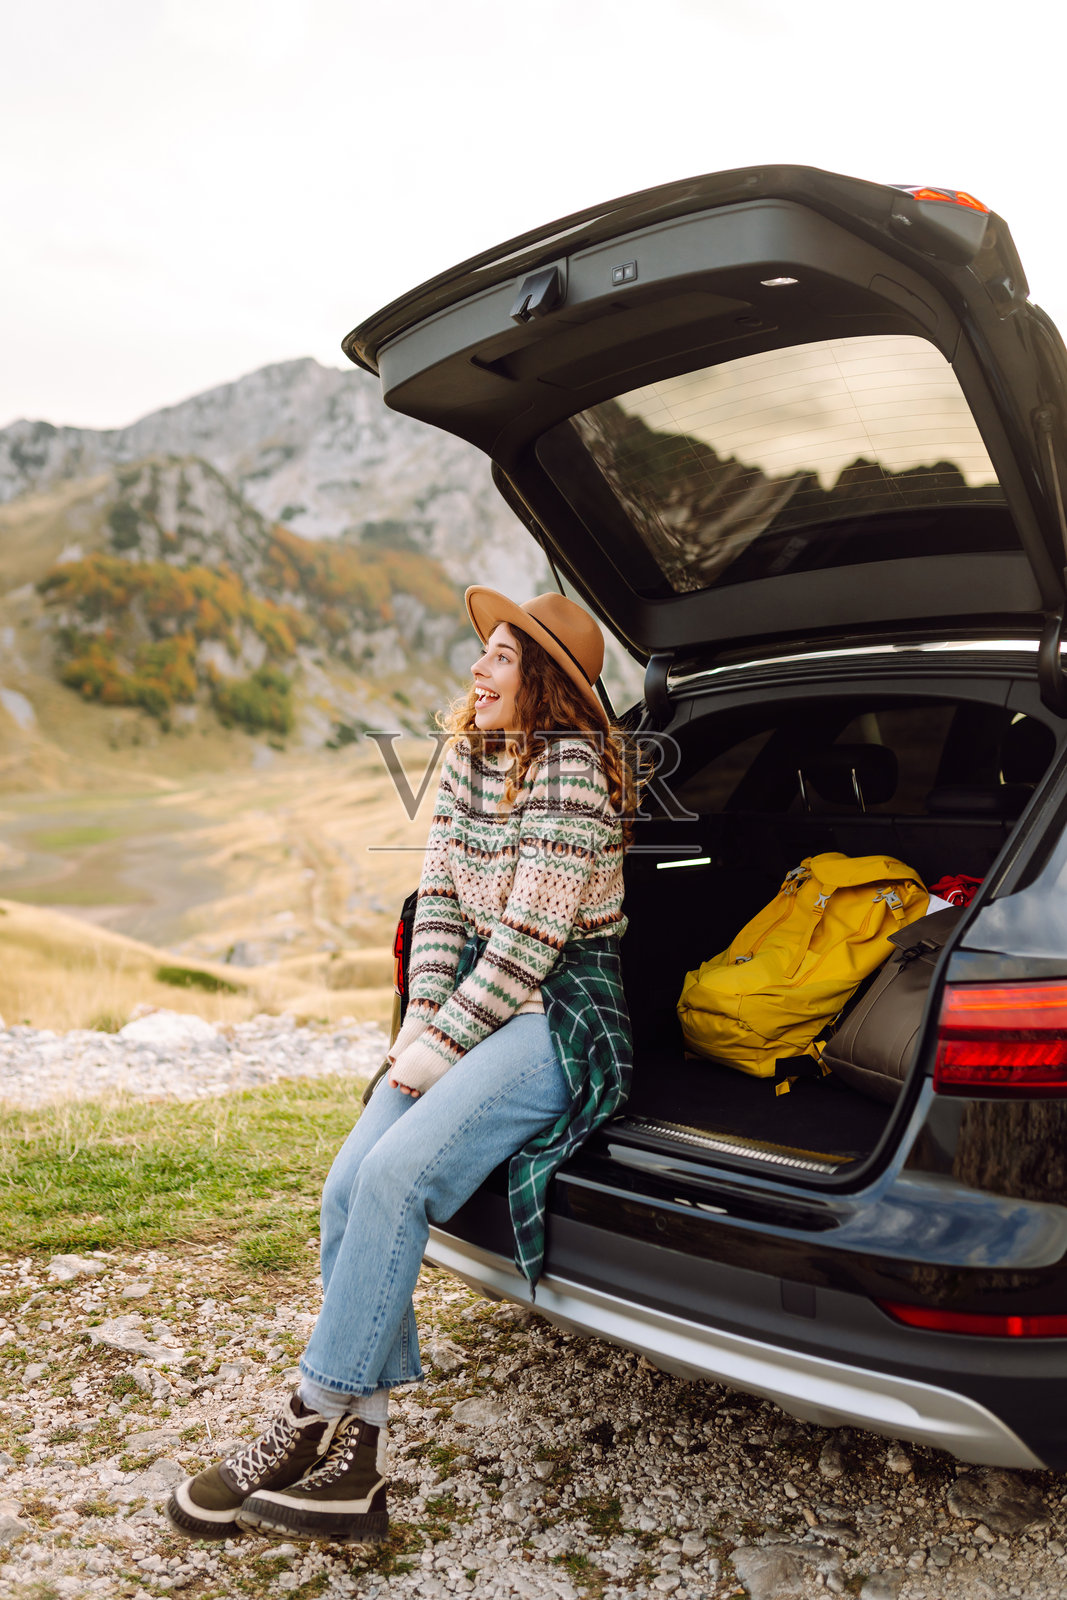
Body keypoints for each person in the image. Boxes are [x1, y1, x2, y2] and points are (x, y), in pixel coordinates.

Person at [167, 588, 633, 1546]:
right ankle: (359, 1463)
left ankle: (309, 1417)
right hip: (471, 1002)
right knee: (348, 1185)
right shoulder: (469, 761)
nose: (478, 668)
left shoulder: (574, 775)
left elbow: (528, 945)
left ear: (544, 682)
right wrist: (420, 1024)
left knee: (394, 1176)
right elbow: (441, 911)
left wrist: (439, 1048)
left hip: (559, 1013)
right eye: (484, 652)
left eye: (501, 656)